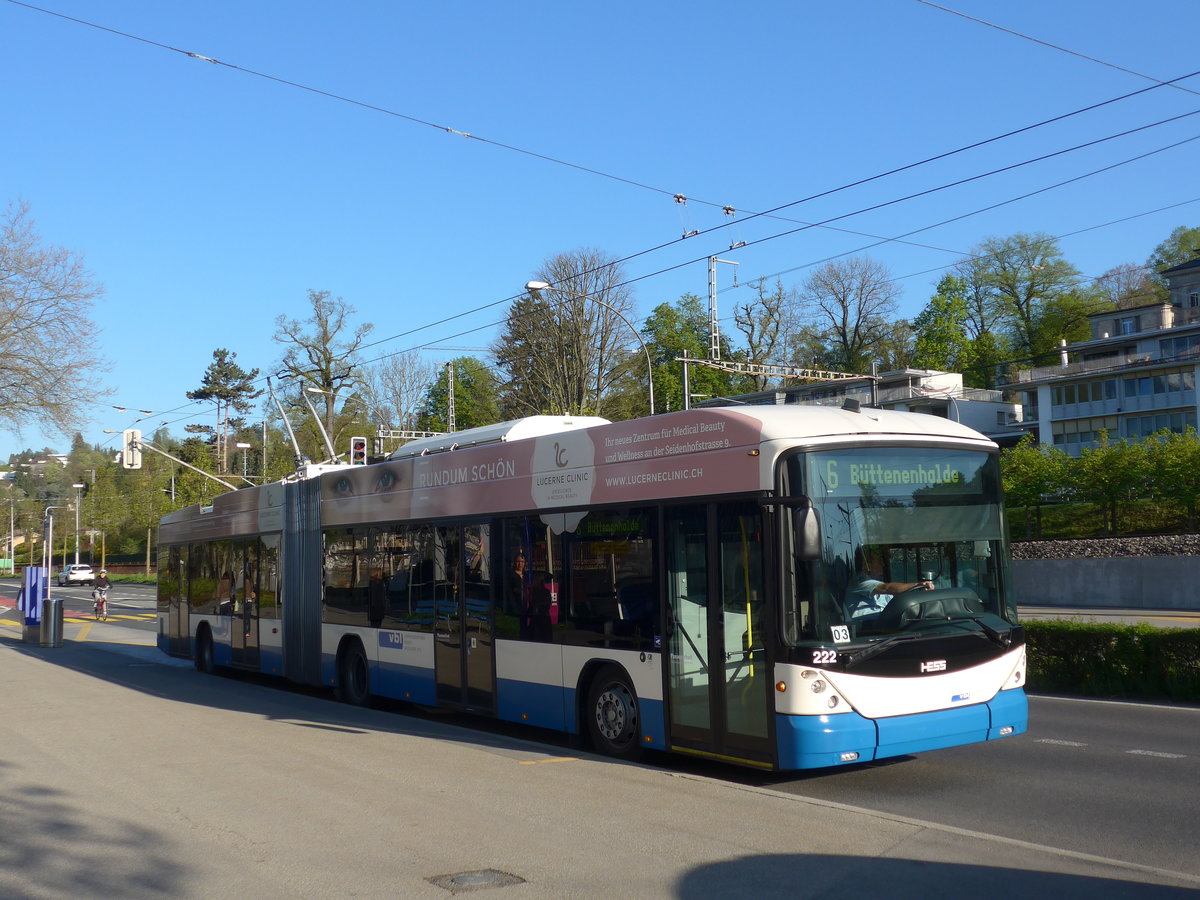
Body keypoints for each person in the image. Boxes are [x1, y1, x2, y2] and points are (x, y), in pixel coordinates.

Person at [845, 548, 933, 619]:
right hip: (865, 628)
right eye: (879, 562)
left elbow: (895, 602)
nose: (883, 565)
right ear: (868, 565)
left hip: (883, 624)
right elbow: (886, 588)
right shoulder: (859, 581)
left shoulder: (879, 582)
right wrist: (917, 585)